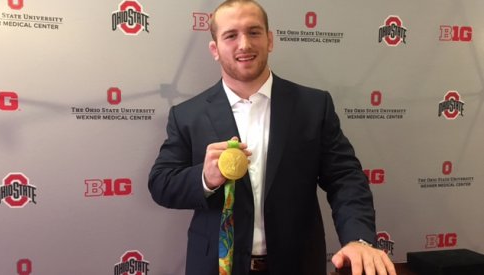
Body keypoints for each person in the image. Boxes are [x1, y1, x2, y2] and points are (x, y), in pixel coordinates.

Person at [148, 0, 396, 274]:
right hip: (214, 267)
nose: (244, 44)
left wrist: (358, 238)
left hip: (298, 265)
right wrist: (205, 178)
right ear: (215, 49)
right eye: (231, 35)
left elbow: (345, 177)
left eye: (254, 32)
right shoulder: (187, 115)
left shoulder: (314, 106)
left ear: (270, 40)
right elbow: (161, 183)